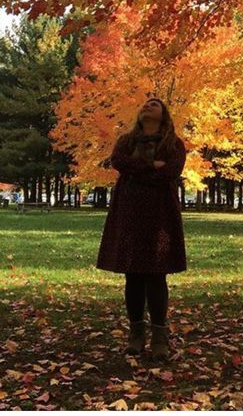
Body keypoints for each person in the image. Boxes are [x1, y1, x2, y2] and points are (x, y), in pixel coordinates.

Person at [95, 98, 187, 361]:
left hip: (160, 213)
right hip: (130, 212)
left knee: (156, 275)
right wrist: (150, 166)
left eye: (154, 104)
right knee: (133, 275)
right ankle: (136, 335)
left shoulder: (173, 143)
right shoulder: (126, 141)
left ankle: (160, 338)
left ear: (163, 114)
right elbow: (118, 162)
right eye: (145, 103)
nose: (148, 105)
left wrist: (140, 171)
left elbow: (171, 170)